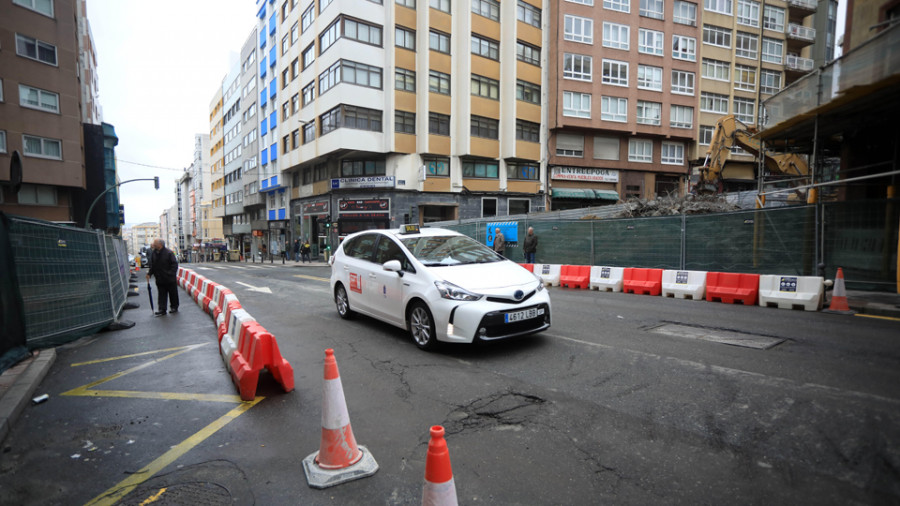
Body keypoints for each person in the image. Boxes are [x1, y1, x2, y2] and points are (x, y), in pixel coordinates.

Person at [146, 238, 179, 317]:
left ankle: (174, 307)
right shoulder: (154, 253)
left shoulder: (169, 253)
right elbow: (153, 265)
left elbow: (174, 265)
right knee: (161, 294)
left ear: (160, 244)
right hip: (160, 278)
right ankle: (162, 309)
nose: (153, 245)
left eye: (155, 243)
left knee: (173, 293)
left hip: (169, 279)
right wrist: (149, 273)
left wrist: (170, 273)